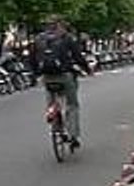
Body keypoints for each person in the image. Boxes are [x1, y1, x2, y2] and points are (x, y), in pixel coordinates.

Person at [31, 16, 91, 150]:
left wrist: (36, 74)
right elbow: (78, 56)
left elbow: (32, 59)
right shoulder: (66, 37)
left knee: (51, 99)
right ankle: (73, 135)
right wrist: (87, 69)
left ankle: (53, 117)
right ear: (60, 25)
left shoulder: (39, 39)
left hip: (47, 76)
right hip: (65, 75)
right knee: (72, 104)